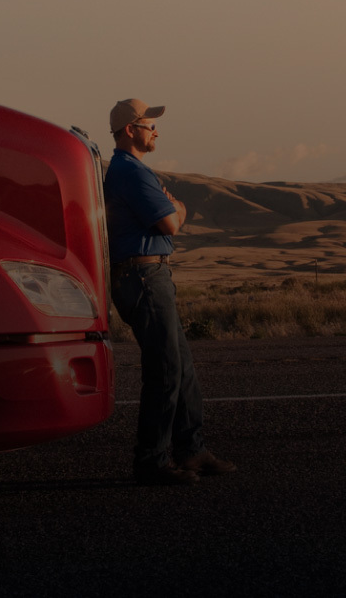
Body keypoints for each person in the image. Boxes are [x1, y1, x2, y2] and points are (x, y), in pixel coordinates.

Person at [104, 98, 236, 486]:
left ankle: (191, 451)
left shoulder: (130, 171)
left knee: (183, 368)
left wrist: (173, 209)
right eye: (149, 125)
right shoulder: (131, 173)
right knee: (165, 370)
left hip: (148, 276)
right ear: (131, 130)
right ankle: (151, 460)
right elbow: (170, 223)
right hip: (144, 278)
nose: (156, 131)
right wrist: (177, 207)